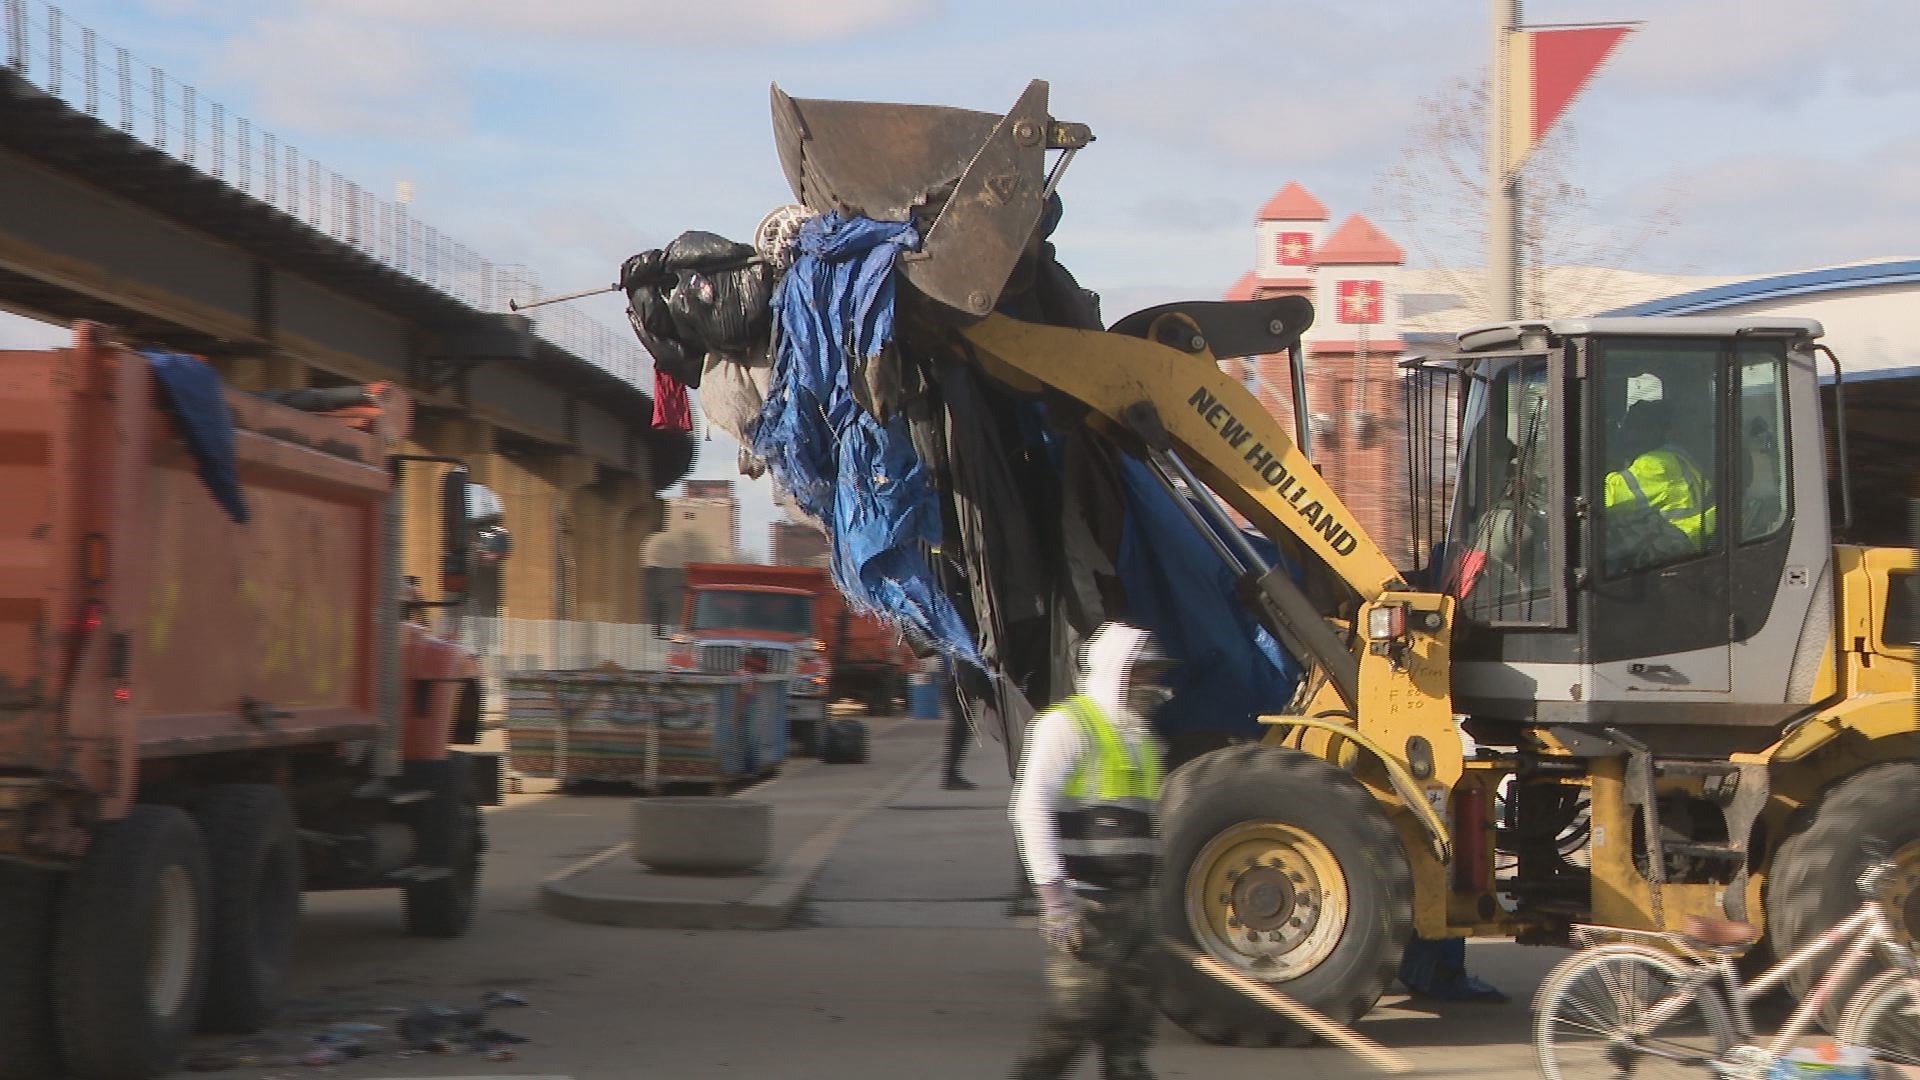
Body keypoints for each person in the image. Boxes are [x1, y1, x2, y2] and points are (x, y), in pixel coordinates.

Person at [1008, 622, 1172, 1080]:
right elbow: (1029, 809)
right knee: (1072, 1022)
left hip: (1135, 909)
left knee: (1130, 1031)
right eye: (1144, 673)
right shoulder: (1065, 725)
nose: (1152, 684)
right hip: (1088, 906)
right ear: (1118, 671)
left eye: (1155, 674)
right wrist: (1056, 900)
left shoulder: (1142, 739)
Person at [1602, 398, 1714, 575]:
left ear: (1658, 431)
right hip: (1685, 537)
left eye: (1634, 428)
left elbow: (1607, 499)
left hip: (1678, 542)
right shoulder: (1676, 455)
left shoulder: (1657, 465)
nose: (1625, 434)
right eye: (1626, 427)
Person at [940, 656, 976, 790]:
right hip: (957, 675)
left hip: (955, 674)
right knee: (961, 724)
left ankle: (951, 774)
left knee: (962, 724)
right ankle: (950, 775)